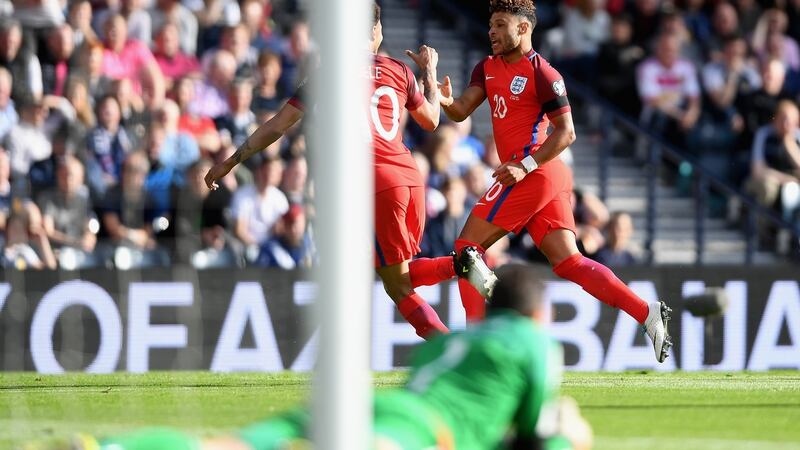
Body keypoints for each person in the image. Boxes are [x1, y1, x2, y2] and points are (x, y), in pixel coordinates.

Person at [60, 264, 594, 450]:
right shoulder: (535, 343)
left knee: (229, 442)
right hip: (421, 431)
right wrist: (573, 433)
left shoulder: (453, 340)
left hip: (376, 405)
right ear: (538, 315)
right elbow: (535, 438)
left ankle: (104, 444)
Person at [429, 0, 671, 362]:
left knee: (467, 248)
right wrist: (444, 97)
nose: (491, 31)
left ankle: (476, 346)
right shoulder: (487, 67)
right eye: (490, 24)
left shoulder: (544, 74)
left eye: (499, 24)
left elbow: (567, 133)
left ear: (523, 29)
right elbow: (461, 109)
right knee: (569, 262)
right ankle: (646, 312)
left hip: (536, 171)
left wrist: (524, 165)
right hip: (541, 175)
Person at [204, 3, 456, 340]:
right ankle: (460, 265)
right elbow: (432, 120)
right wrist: (430, 71)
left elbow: (277, 127)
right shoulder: (399, 69)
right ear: (376, 32)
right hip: (410, 179)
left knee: (398, 287)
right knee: (397, 275)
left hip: (374, 182)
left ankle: (451, 341)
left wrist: (231, 161)